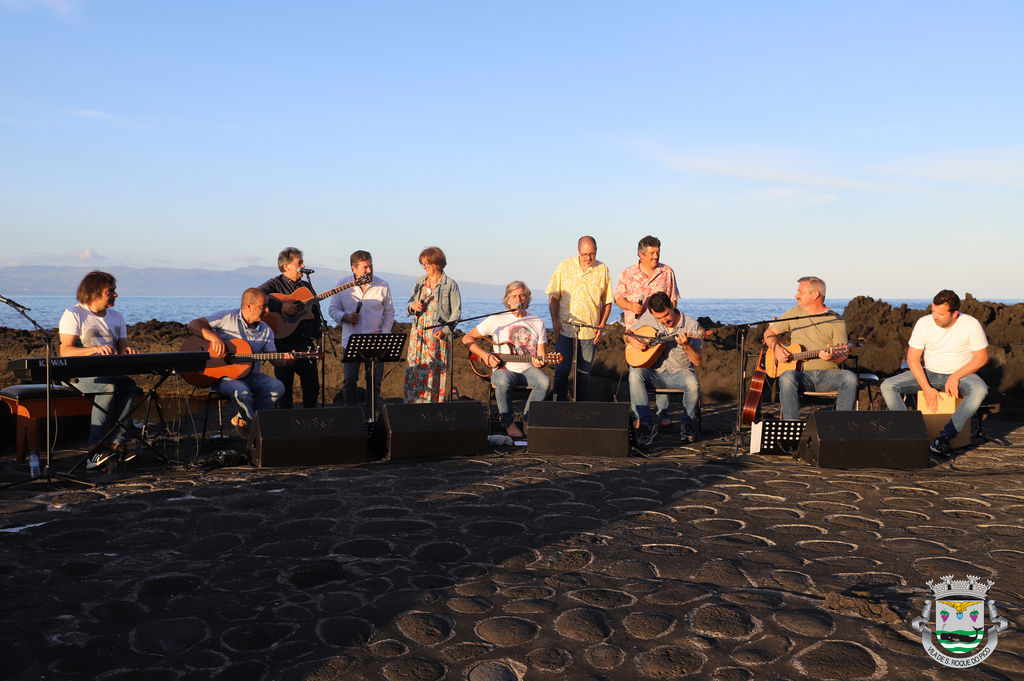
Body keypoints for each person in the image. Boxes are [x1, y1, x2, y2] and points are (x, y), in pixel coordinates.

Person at [880, 290, 988, 456]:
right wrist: (927, 388)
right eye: (933, 312)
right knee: (888, 386)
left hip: (961, 375)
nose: (935, 317)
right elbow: (913, 359)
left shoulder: (970, 324)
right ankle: (909, 435)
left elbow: (981, 358)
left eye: (941, 314)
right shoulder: (924, 323)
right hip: (929, 373)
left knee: (980, 390)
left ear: (955, 313)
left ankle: (944, 439)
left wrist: (955, 376)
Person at [58, 271, 139, 470]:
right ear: (95, 292)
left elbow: (121, 350)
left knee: (129, 386)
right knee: (109, 386)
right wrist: (94, 349)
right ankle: (94, 449)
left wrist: (127, 352)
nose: (116, 295)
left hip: (108, 372)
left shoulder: (116, 316)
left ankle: (117, 444)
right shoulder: (74, 314)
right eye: (110, 291)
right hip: (77, 376)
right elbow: (65, 351)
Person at [187, 288, 293, 437]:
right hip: (223, 377)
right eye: (263, 306)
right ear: (249, 305)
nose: (267, 310)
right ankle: (255, 433)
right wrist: (214, 338)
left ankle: (244, 419)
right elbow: (193, 324)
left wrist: (286, 362)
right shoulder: (227, 317)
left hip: (251, 376)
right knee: (242, 391)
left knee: (277, 387)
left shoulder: (266, 330)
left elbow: (275, 359)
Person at [462, 281, 549, 438]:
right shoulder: (496, 320)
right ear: (508, 300)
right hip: (504, 370)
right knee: (501, 381)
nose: (519, 299)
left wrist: (540, 361)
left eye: (522, 295)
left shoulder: (537, 322)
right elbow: (467, 338)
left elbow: (541, 354)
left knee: (544, 382)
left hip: (529, 369)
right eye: (514, 296)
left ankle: (527, 420)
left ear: (527, 298)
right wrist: (485, 355)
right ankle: (508, 423)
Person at [763, 276, 858, 420]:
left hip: (828, 376)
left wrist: (832, 356)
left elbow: (843, 353)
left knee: (850, 378)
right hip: (800, 376)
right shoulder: (793, 314)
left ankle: (841, 426)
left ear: (815, 294)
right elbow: (769, 333)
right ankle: (792, 427)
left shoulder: (835, 320)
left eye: (800, 292)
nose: (796, 295)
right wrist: (776, 348)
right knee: (786, 377)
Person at [625, 292, 702, 446]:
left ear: (672, 306)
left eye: (666, 315)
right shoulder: (649, 317)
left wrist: (686, 345)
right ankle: (646, 425)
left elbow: (697, 361)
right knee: (634, 374)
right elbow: (627, 334)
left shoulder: (692, 325)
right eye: (659, 318)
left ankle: (687, 426)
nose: (664, 321)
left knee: (693, 383)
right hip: (654, 373)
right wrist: (632, 340)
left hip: (680, 373)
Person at [546, 235, 613, 401]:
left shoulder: (603, 269)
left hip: (590, 332)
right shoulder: (564, 266)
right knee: (561, 370)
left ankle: (580, 407)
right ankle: (557, 405)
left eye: (592, 253)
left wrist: (602, 325)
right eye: (585, 254)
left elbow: (608, 301)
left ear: (596, 251)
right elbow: (553, 297)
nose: (589, 258)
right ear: (578, 252)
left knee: (584, 374)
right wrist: (554, 320)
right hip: (564, 329)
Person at [328, 250, 395, 412]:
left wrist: (385, 336)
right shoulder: (341, 285)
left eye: (371, 266)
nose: (369, 271)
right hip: (350, 340)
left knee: (374, 379)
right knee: (350, 379)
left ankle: (372, 412)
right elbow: (332, 309)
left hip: (376, 339)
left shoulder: (383, 285)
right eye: (365, 267)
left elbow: (389, 312)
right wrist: (345, 317)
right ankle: (350, 412)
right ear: (354, 268)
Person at [257, 247, 322, 408]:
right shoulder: (275, 283)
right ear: (286, 266)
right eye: (299, 262)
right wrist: (281, 306)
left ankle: (310, 421)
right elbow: (257, 294)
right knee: (284, 388)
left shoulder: (307, 286)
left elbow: (315, 314)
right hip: (282, 342)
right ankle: (286, 424)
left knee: (312, 385)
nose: (303, 265)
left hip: (305, 342)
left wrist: (319, 340)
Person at [405, 247, 462, 403]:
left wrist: (445, 330)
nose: (424, 267)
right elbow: (409, 303)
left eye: (427, 264)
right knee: (416, 368)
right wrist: (413, 306)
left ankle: (434, 406)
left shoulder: (450, 284)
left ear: (437, 264)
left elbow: (456, 313)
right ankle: (414, 404)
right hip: (418, 333)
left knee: (435, 371)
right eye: (423, 264)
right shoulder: (420, 282)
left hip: (437, 335)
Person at [614, 235, 680, 328]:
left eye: (658, 252)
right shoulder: (627, 273)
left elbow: (673, 302)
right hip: (635, 330)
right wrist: (631, 307)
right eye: (652, 253)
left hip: (661, 330)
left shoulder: (667, 272)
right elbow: (618, 299)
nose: (656, 256)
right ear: (641, 254)